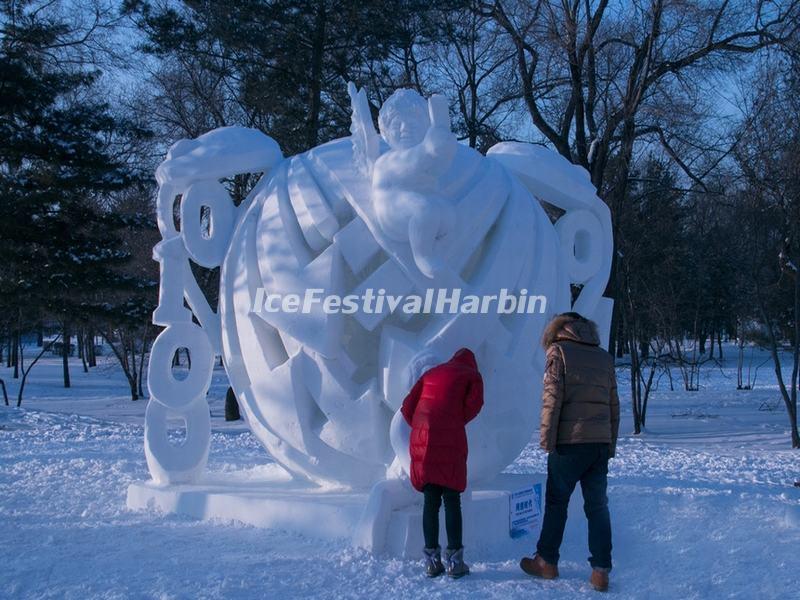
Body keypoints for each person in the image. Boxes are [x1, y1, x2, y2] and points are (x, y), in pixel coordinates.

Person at [520, 312, 619, 592]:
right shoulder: (603, 357)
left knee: (556, 503)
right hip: (599, 444)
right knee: (598, 507)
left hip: (569, 443)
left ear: (559, 330)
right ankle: (600, 572)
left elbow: (552, 397)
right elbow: (614, 405)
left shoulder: (558, 352)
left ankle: (546, 561)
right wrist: (609, 444)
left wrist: (547, 440)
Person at [401, 348, 484, 579]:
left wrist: (422, 424)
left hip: (423, 438)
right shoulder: (472, 375)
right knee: (451, 499)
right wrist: (453, 419)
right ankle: (455, 563)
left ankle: (431, 563)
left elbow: (407, 407)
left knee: (430, 500)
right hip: (450, 439)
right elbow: (475, 405)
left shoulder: (431, 373)